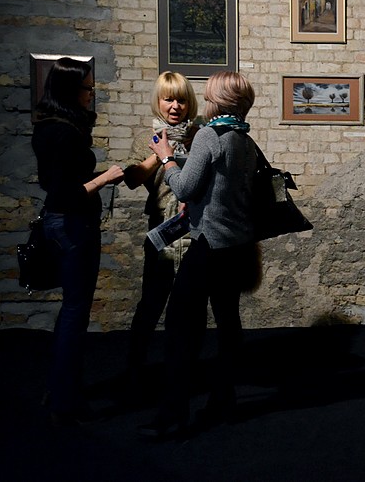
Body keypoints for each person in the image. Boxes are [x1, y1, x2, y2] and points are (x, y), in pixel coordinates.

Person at [140, 71, 259, 439]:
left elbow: (184, 187)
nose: (203, 101)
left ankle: (172, 414)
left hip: (208, 245)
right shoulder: (244, 139)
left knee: (180, 329)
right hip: (237, 246)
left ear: (216, 100)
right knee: (228, 324)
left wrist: (166, 159)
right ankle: (224, 401)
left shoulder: (209, 135)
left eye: (208, 96)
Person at [31, 57, 124, 426]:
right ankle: (65, 399)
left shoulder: (46, 126)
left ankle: (60, 387)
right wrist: (105, 178)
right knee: (75, 312)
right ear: (72, 91)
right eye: (87, 88)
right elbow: (67, 193)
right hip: (73, 224)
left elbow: (51, 183)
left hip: (60, 222)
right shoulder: (65, 133)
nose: (91, 94)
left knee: (71, 309)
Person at [122, 71, 200, 374]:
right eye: (169, 99)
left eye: (181, 100)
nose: (175, 106)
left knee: (190, 303)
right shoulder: (148, 138)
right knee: (152, 301)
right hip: (161, 228)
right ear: (159, 101)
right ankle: (134, 368)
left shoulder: (199, 136)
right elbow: (132, 179)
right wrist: (160, 154)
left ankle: (183, 369)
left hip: (194, 227)